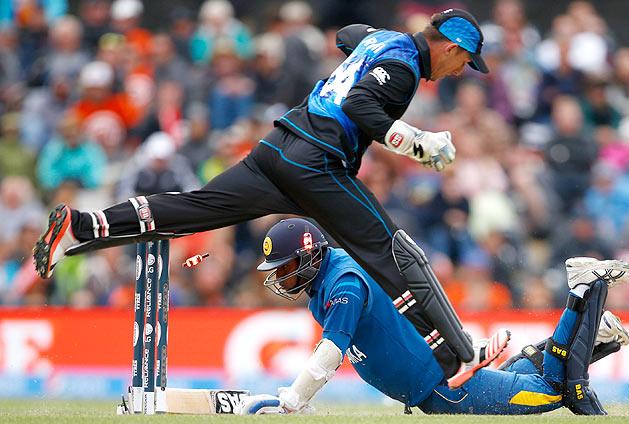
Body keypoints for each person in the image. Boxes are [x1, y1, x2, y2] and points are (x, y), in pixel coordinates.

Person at [34, 9, 490, 378]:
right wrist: (418, 142)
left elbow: (347, 36)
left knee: (196, 207)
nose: (456, 73)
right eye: (462, 64)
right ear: (452, 47)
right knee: (392, 252)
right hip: (316, 162)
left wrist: (360, 52)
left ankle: (82, 226)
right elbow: (359, 105)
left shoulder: (380, 40)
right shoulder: (404, 67)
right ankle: (457, 359)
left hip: (275, 151)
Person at [236, 218, 629, 415]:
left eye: (288, 267)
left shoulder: (342, 281)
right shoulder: (332, 275)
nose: (282, 278)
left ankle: (579, 290)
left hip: (446, 387)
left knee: (551, 393)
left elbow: (330, 353)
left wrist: (294, 399)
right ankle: (594, 336)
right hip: (441, 378)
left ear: (310, 256)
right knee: (528, 379)